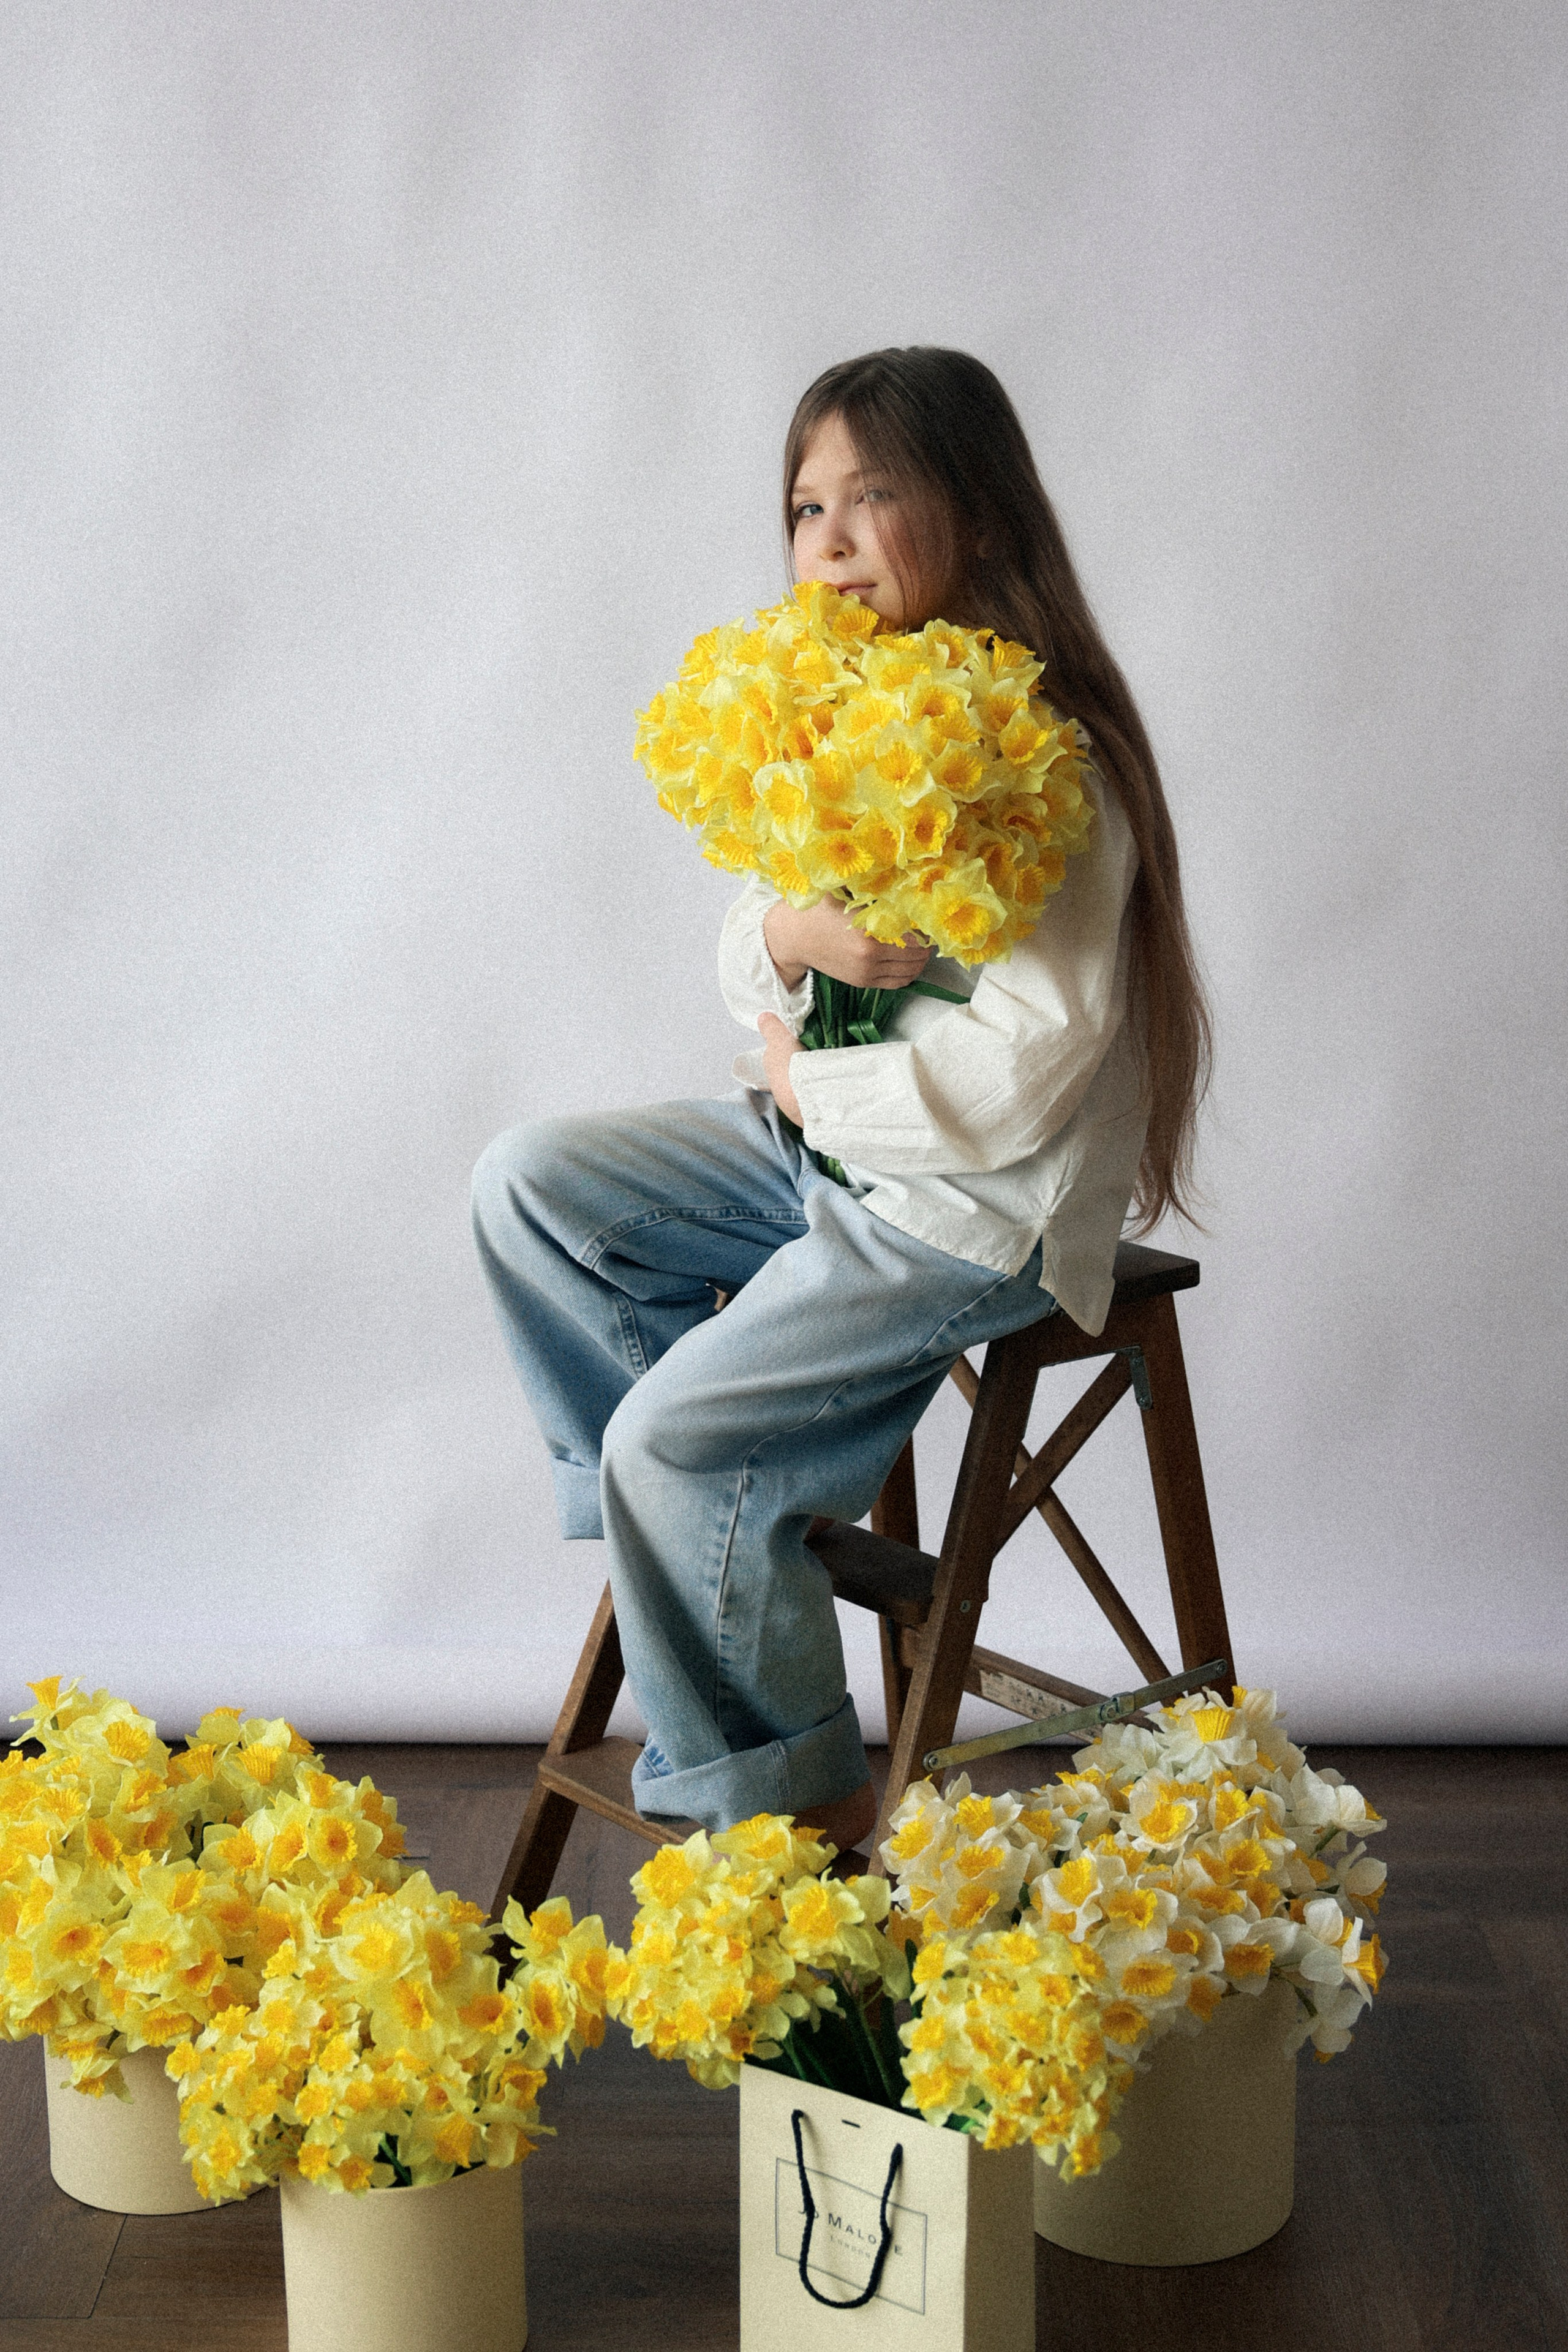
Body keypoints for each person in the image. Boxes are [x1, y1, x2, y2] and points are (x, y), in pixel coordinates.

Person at [471, 347, 1209, 1858]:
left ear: (984, 519)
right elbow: (749, 934)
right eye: (807, 503)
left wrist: (806, 1073)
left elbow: (1019, 1078)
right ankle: (685, 1517)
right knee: (528, 1181)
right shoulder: (839, 708)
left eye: (875, 495)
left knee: (672, 1450)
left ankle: (798, 1793)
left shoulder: (1045, 758)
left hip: (963, 1210)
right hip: (819, 1149)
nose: (829, 534)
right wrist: (794, 943)